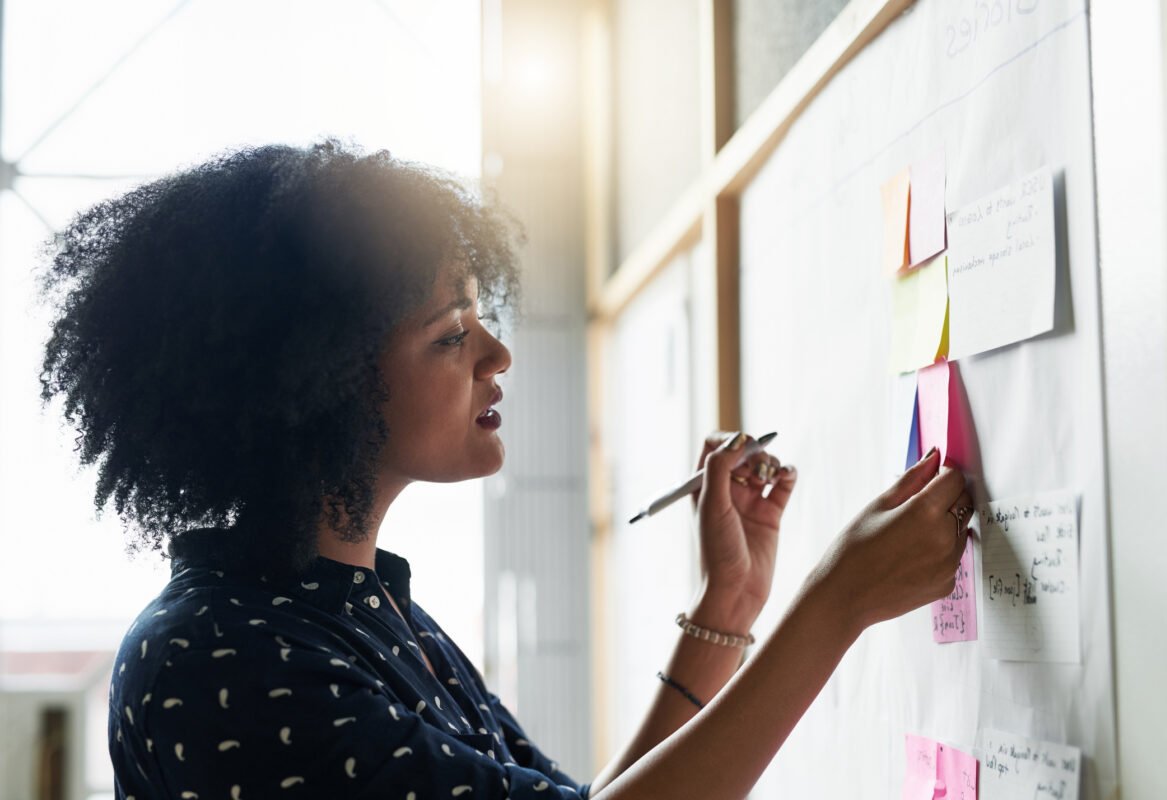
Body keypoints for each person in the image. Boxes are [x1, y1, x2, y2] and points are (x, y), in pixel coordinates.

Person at [37, 140, 972, 799]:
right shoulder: (218, 662)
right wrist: (834, 605)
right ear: (314, 385)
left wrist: (726, 609)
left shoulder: (353, 608)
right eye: (450, 333)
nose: (497, 355)